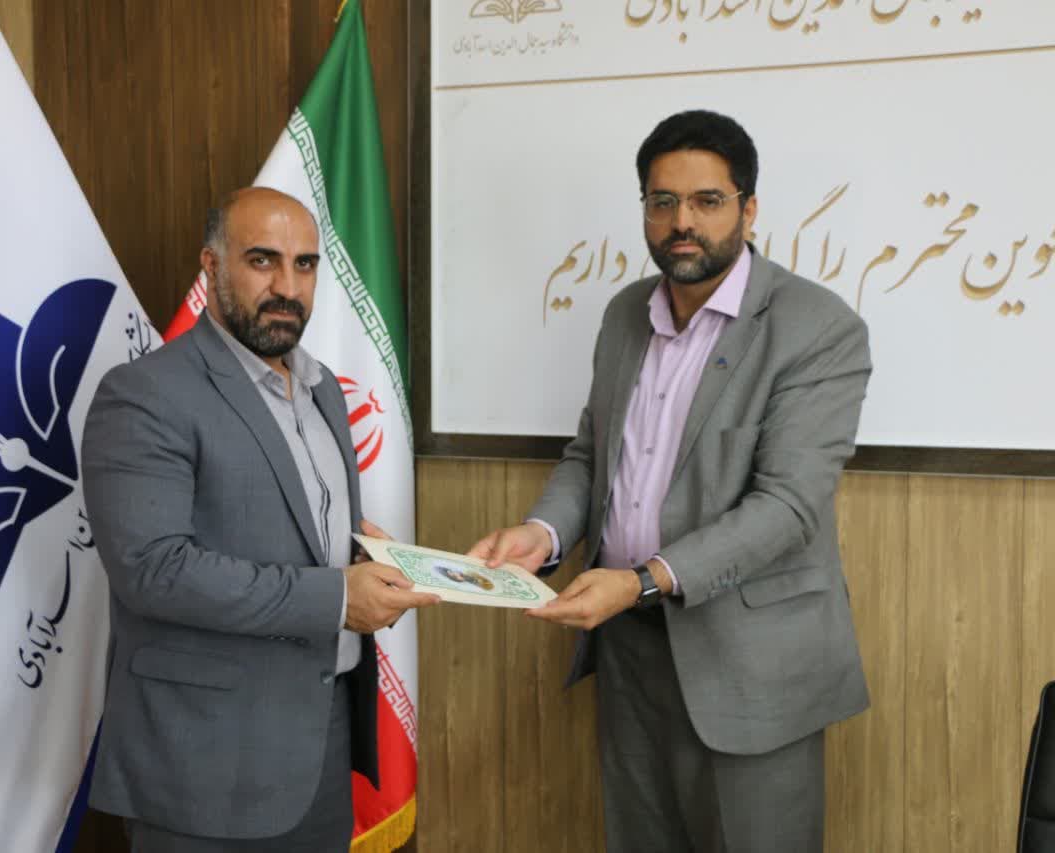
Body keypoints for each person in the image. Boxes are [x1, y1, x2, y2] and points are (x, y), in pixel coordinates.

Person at [470, 110, 872, 852]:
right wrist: (543, 533)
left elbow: (788, 507)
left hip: (750, 664)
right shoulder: (626, 314)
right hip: (628, 652)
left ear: (749, 208)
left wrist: (641, 580)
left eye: (707, 200)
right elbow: (592, 455)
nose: (682, 221)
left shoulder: (817, 326)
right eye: (663, 201)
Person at [82, 187, 439, 852]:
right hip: (204, 759)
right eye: (262, 260)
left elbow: (299, 527)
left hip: (322, 743)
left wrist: (364, 557)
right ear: (212, 266)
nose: (287, 287)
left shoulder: (323, 389)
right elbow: (154, 570)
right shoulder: (146, 394)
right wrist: (340, 598)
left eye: (305, 265)